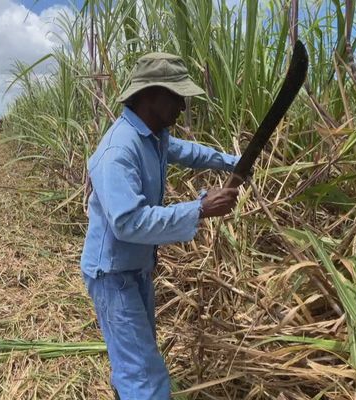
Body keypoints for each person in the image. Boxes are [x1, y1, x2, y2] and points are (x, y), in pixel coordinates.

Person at [80, 52, 240, 399]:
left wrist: (234, 162)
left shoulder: (152, 136)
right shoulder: (118, 152)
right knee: (146, 377)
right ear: (151, 95)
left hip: (135, 268)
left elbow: (191, 153)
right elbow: (128, 222)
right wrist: (200, 209)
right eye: (177, 96)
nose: (183, 106)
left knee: (136, 359)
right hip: (112, 275)